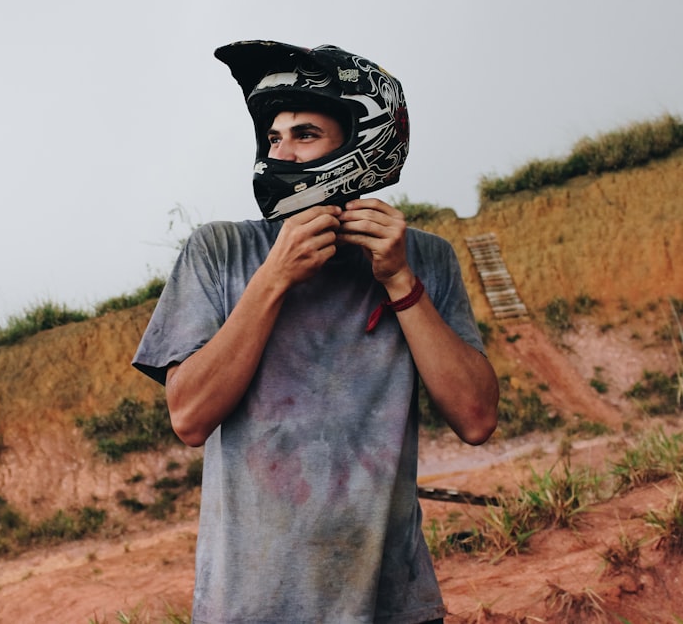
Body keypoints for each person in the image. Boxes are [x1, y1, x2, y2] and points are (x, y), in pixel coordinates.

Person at [132, 40, 499, 624]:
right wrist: (274, 277)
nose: (283, 152)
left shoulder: (426, 259)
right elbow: (189, 417)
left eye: (305, 135)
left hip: (393, 605)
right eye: (274, 138)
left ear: (361, 141)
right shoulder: (220, 251)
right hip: (249, 607)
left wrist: (400, 280)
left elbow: (477, 418)